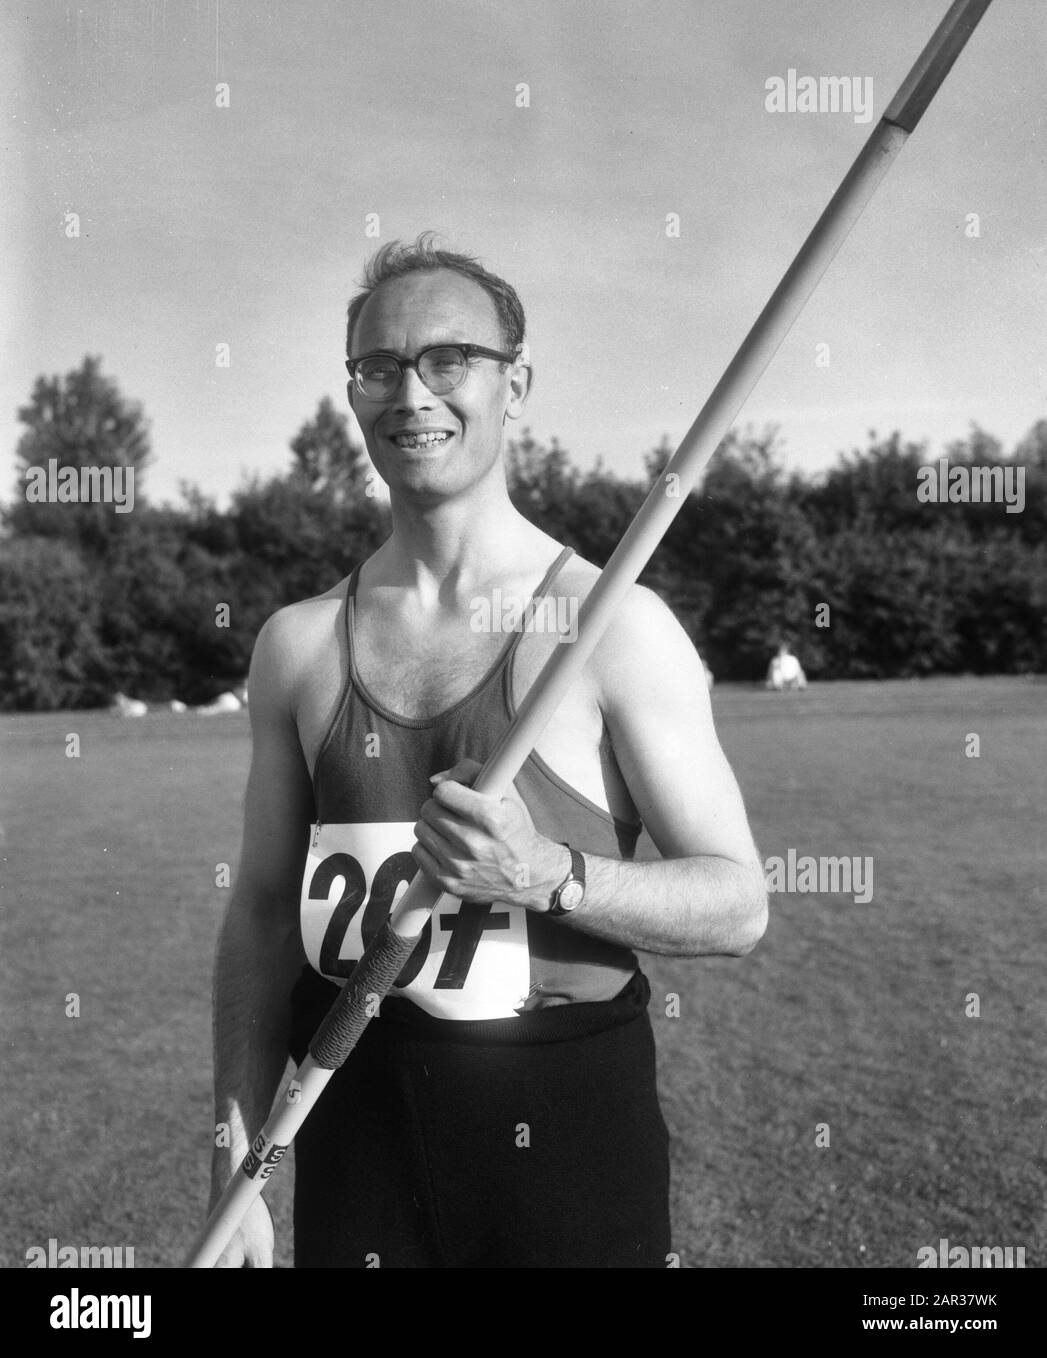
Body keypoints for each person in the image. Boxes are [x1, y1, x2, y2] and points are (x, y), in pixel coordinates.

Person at [208, 235, 768, 1269]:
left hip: (561, 1122)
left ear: (517, 384)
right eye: (380, 367)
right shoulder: (295, 646)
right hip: (350, 1107)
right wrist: (237, 1159)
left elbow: (739, 904)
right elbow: (258, 916)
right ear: (354, 395)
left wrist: (544, 873)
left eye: (447, 359)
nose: (412, 394)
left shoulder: (612, 625)